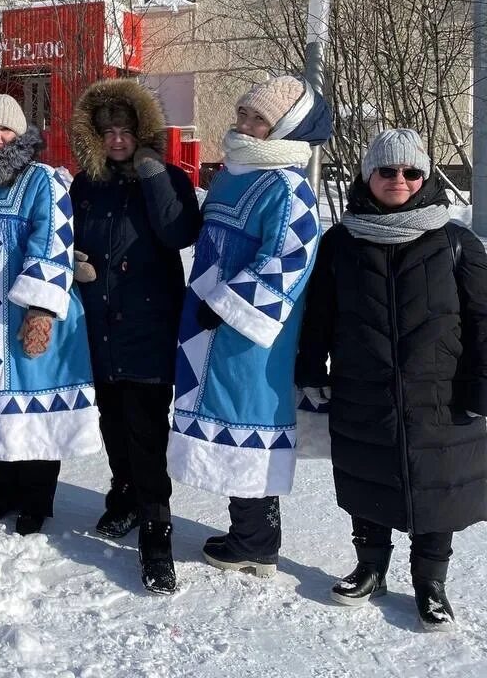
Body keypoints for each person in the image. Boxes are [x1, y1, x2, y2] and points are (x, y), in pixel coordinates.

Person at [297, 129, 487, 630]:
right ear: (368, 175)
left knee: (437, 489)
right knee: (368, 477)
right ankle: (370, 568)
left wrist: (481, 386)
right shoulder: (341, 241)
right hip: (364, 387)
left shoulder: (455, 241)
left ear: (424, 178)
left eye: (410, 172)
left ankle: (431, 585)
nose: (398, 180)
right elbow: (319, 314)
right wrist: (311, 369)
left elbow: (484, 319)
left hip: (441, 395)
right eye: (386, 170)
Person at [168, 75, 332, 577]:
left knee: (250, 422)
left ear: (284, 128)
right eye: (243, 113)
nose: (244, 124)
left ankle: (257, 543)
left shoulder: (288, 186)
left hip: (252, 334)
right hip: (207, 325)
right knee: (224, 422)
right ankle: (248, 533)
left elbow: (290, 257)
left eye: (258, 119)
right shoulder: (233, 173)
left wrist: (229, 305)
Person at [70, 79, 202, 594]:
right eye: (107, 133)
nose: (117, 140)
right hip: (99, 323)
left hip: (149, 322)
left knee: (146, 430)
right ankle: (123, 496)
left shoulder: (167, 176)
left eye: (126, 131)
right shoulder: (86, 184)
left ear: (142, 132)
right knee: (111, 421)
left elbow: (178, 234)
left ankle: (157, 532)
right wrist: (73, 262)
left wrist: (151, 173)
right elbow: (69, 235)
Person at [0, 94, 102, 536]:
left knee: (36, 409)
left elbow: (54, 241)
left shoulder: (44, 180)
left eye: (5, 130)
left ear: (20, 134)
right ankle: (4, 492)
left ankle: (37, 500)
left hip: (32, 314)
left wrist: (40, 309)